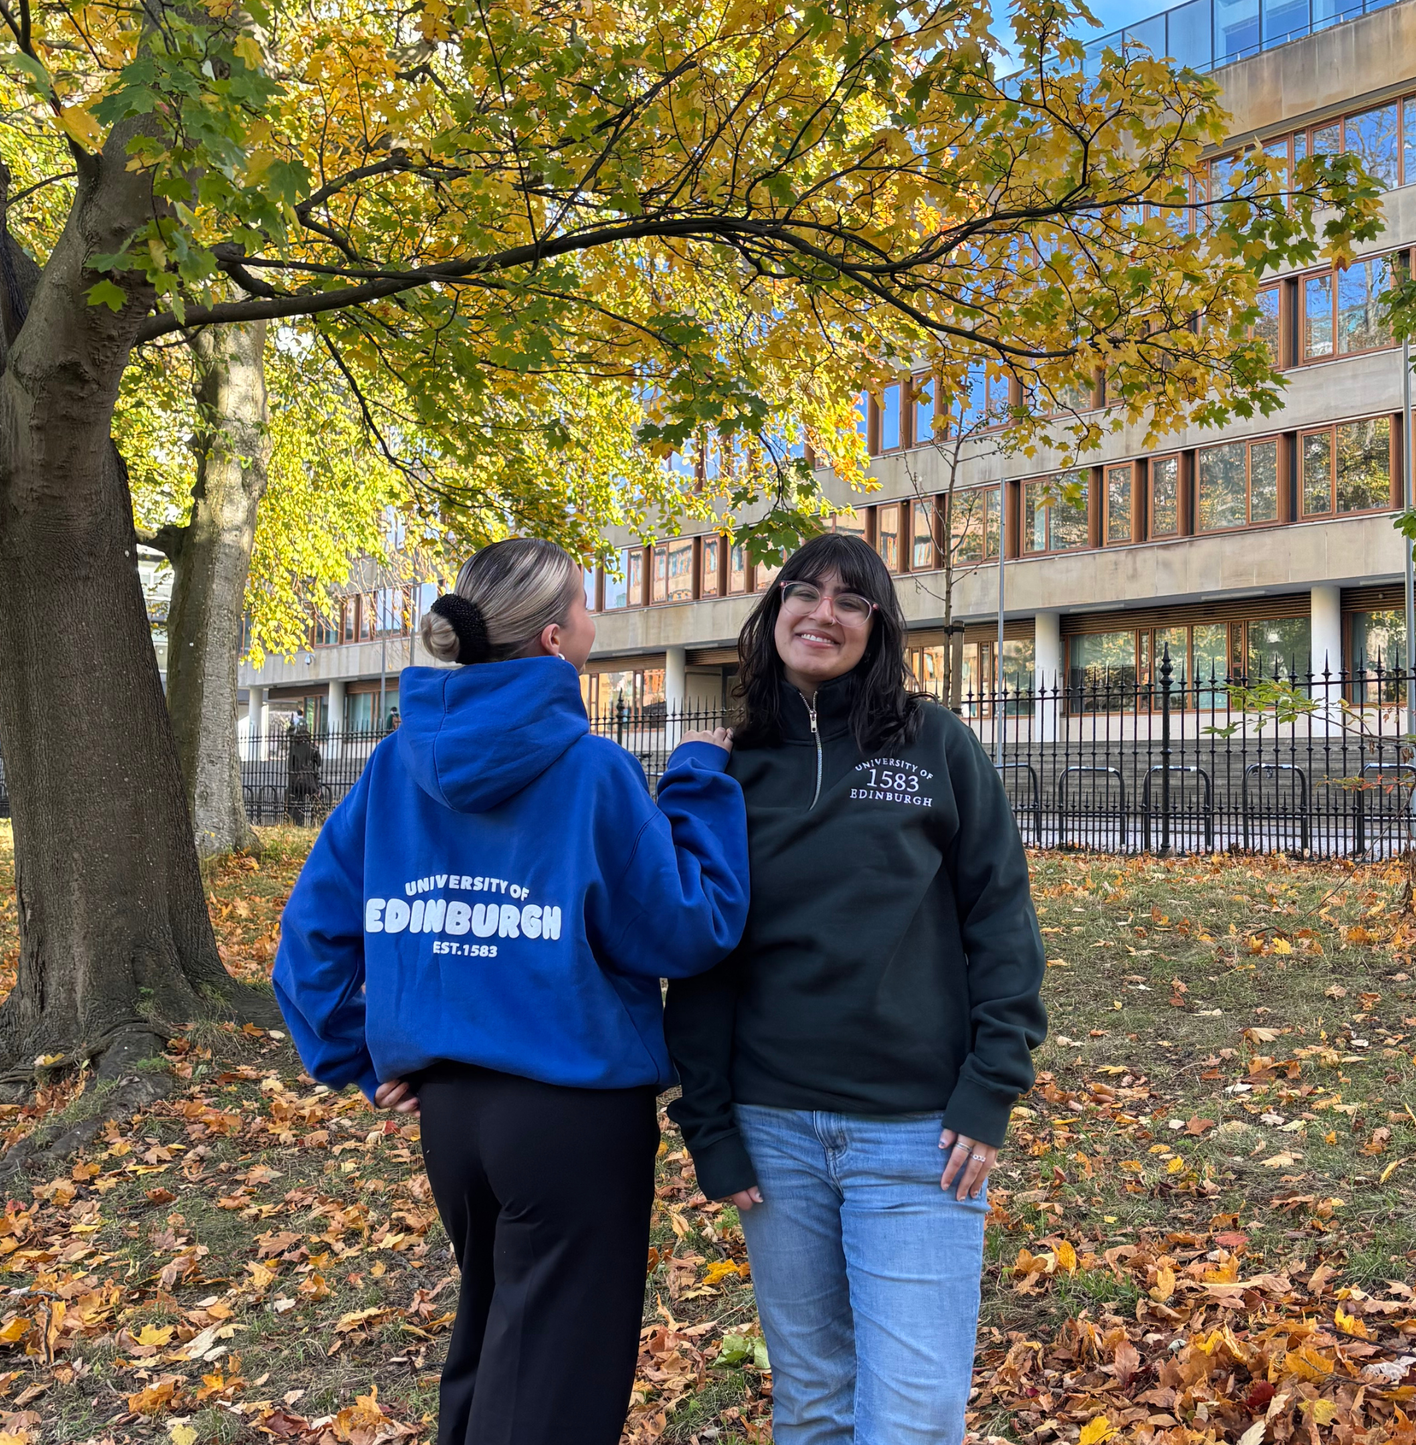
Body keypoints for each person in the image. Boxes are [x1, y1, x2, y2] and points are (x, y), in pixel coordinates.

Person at [273, 537, 749, 1445]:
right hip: (572, 1113)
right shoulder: (590, 770)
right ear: (552, 637)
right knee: (556, 1381)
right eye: (584, 603)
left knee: (494, 1345)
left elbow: (310, 943)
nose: (593, 619)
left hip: (454, 1121)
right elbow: (690, 926)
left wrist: (359, 1051)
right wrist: (697, 778)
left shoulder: (394, 765)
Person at [665, 532, 1047, 1445]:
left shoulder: (934, 743)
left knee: (913, 1416)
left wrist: (991, 1083)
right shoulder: (733, 767)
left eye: (851, 600)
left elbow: (1000, 916)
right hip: (774, 1133)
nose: (823, 613)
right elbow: (701, 954)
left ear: (877, 628)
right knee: (812, 1403)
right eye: (806, 591)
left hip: (918, 1135)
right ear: (775, 609)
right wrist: (710, 1127)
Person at [286, 721, 321, 825]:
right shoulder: (312, 748)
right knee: (317, 798)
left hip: (297, 780)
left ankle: (298, 822)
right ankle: (316, 821)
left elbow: (290, 766)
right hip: (310, 779)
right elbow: (318, 763)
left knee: (297, 802)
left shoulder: (294, 748)